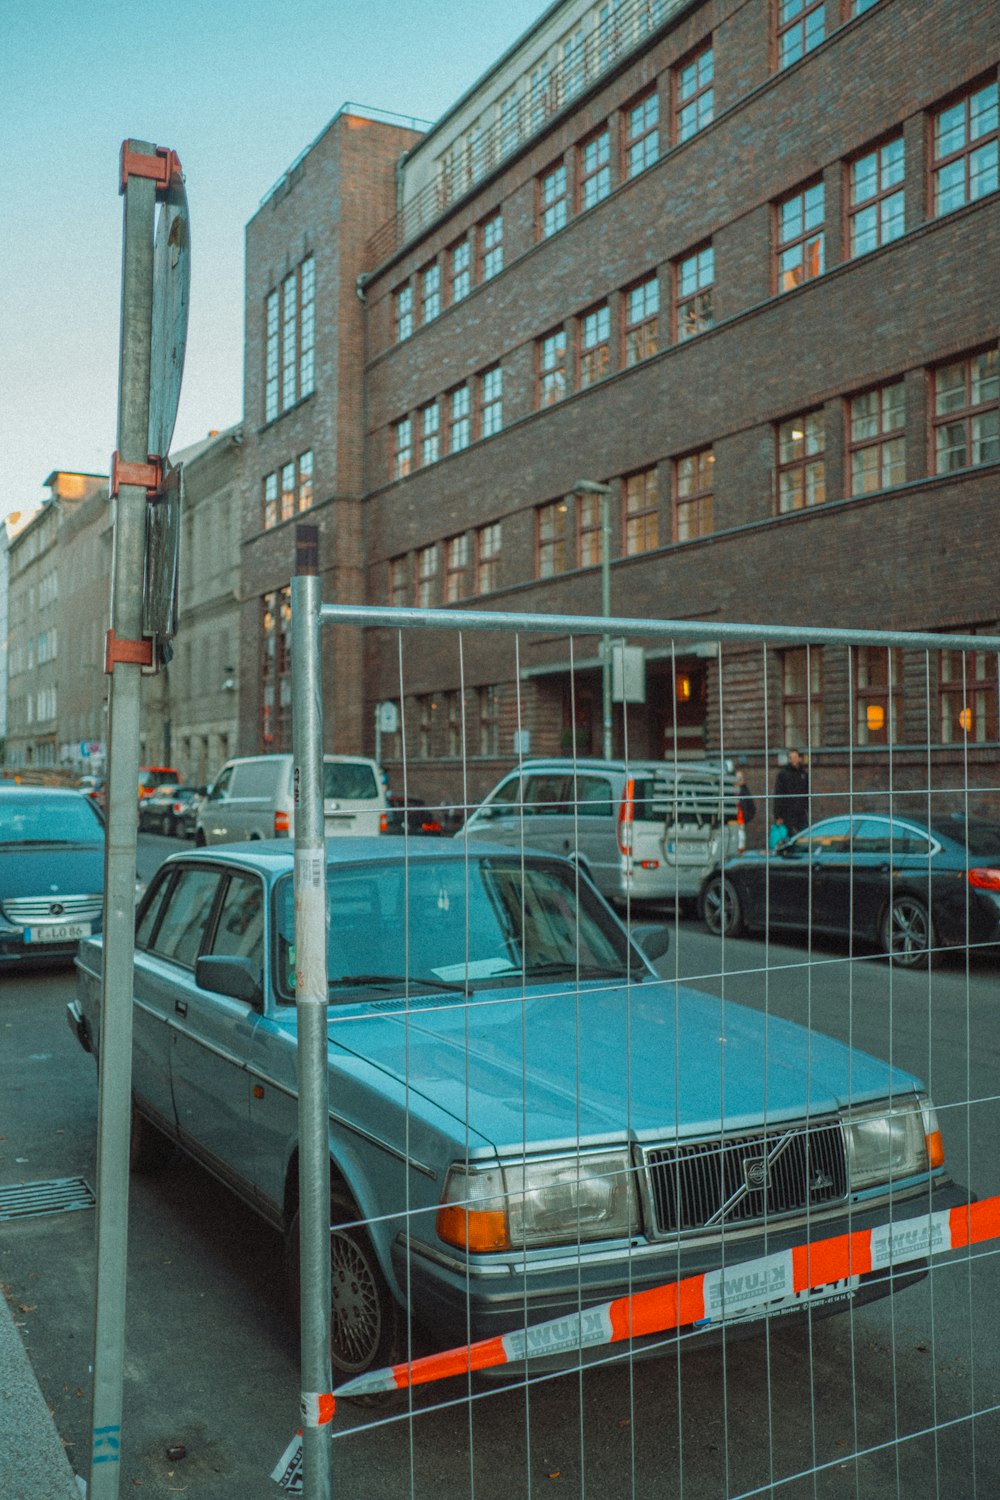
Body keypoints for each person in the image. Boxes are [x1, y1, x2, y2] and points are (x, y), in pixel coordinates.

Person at [772, 748, 809, 835]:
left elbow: (806, 793)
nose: (793, 760)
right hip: (787, 813)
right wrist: (778, 816)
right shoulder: (783, 774)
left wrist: (806, 808)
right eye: (791, 758)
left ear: (800, 759)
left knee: (805, 834)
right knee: (789, 836)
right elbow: (778, 794)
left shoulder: (804, 774)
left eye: (795, 757)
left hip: (801, 812)